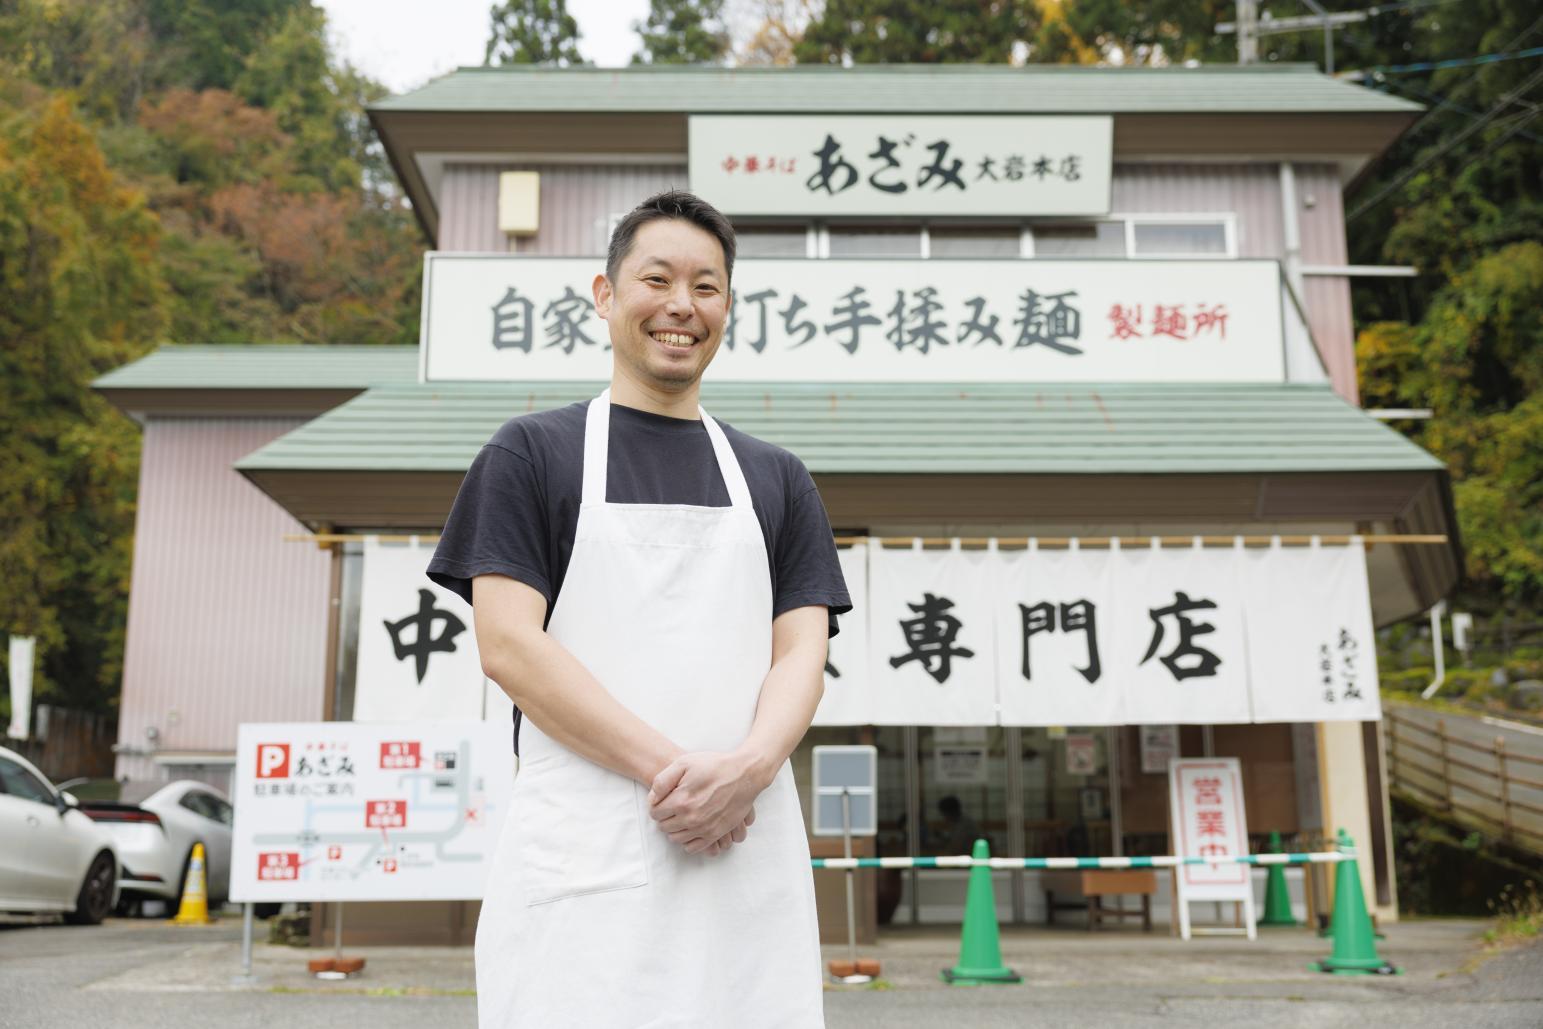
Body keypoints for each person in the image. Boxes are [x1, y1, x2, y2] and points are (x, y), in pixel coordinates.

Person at [427, 190, 850, 1028]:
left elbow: (801, 652)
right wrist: (682, 779)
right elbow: (509, 645)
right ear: (605, 294)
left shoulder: (776, 476)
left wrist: (751, 768)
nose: (681, 306)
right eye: (657, 278)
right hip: (587, 855)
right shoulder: (532, 453)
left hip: (744, 845)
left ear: (728, 306)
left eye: (707, 286)